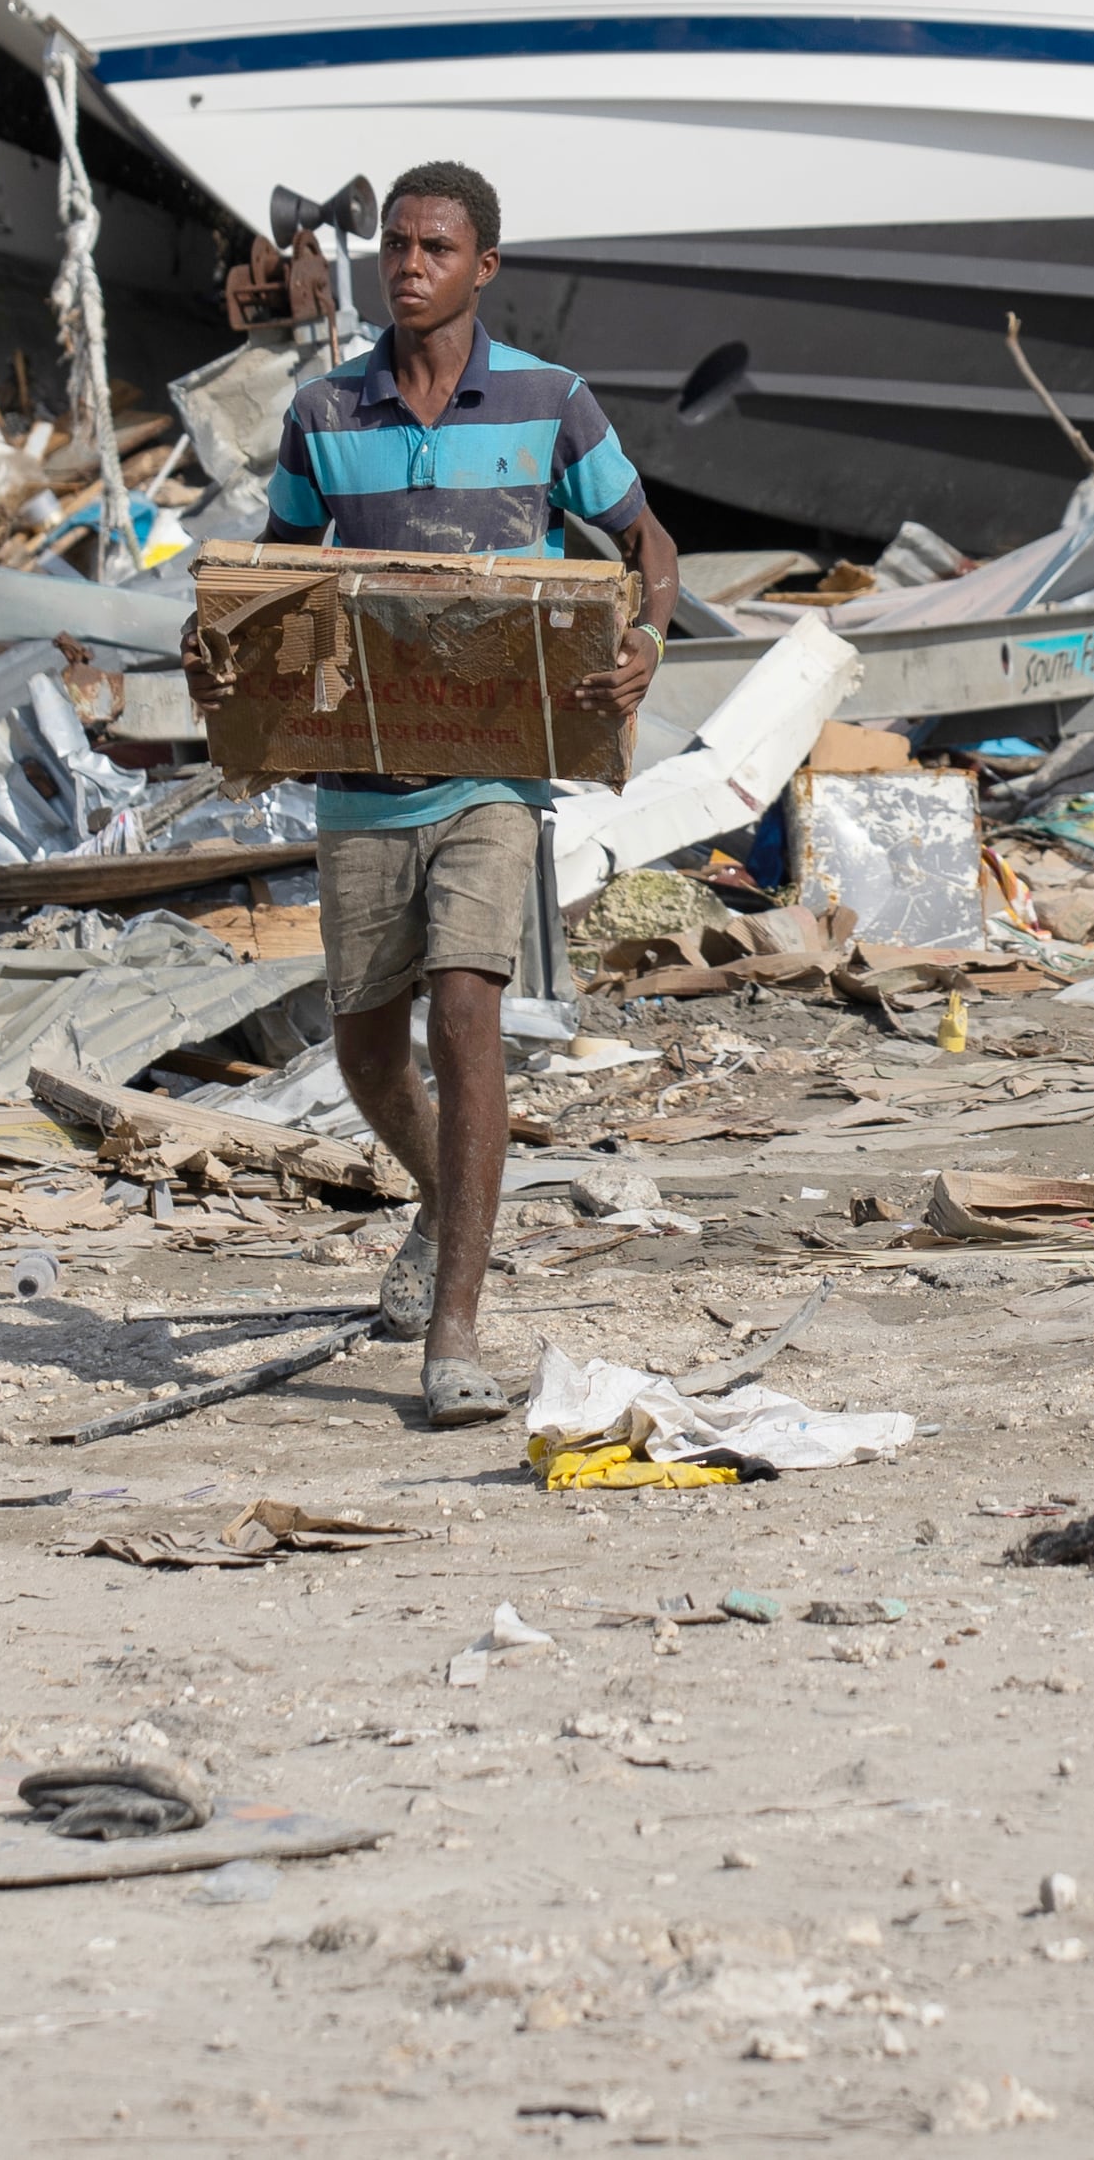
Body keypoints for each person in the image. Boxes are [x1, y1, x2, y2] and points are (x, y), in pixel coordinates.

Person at [266, 159, 675, 1425]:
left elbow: (645, 548)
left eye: (434, 248)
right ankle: (441, 1192)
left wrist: (644, 643)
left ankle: (454, 1332)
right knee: (366, 1053)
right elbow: (271, 573)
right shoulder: (323, 411)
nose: (406, 266)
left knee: (466, 1009)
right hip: (362, 774)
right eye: (393, 245)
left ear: (483, 268)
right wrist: (222, 643)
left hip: (496, 774)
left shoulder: (553, 404)